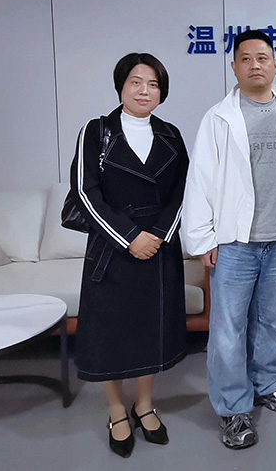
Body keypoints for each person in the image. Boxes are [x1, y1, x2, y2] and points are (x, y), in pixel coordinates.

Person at [182, 29, 276, 450]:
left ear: (275, 65)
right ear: (234, 67)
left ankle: (268, 384)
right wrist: (203, 240)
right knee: (228, 330)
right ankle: (233, 407)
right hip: (234, 244)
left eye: (262, 57)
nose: (255, 65)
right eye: (246, 58)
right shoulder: (218, 118)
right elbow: (200, 179)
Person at [70, 53, 189, 458]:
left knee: (150, 331)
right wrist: (130, 236)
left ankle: (144, 404)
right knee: (111, 333)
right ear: (121, 86)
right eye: (136, 82)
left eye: (153, 84)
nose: (144, 91)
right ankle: (116, 410)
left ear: (162, 92)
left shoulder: (171, 134)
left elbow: (183, 191)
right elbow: (86, 191)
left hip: (158, 246)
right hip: (113, 246)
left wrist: (157, 235)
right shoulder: (97, 131)